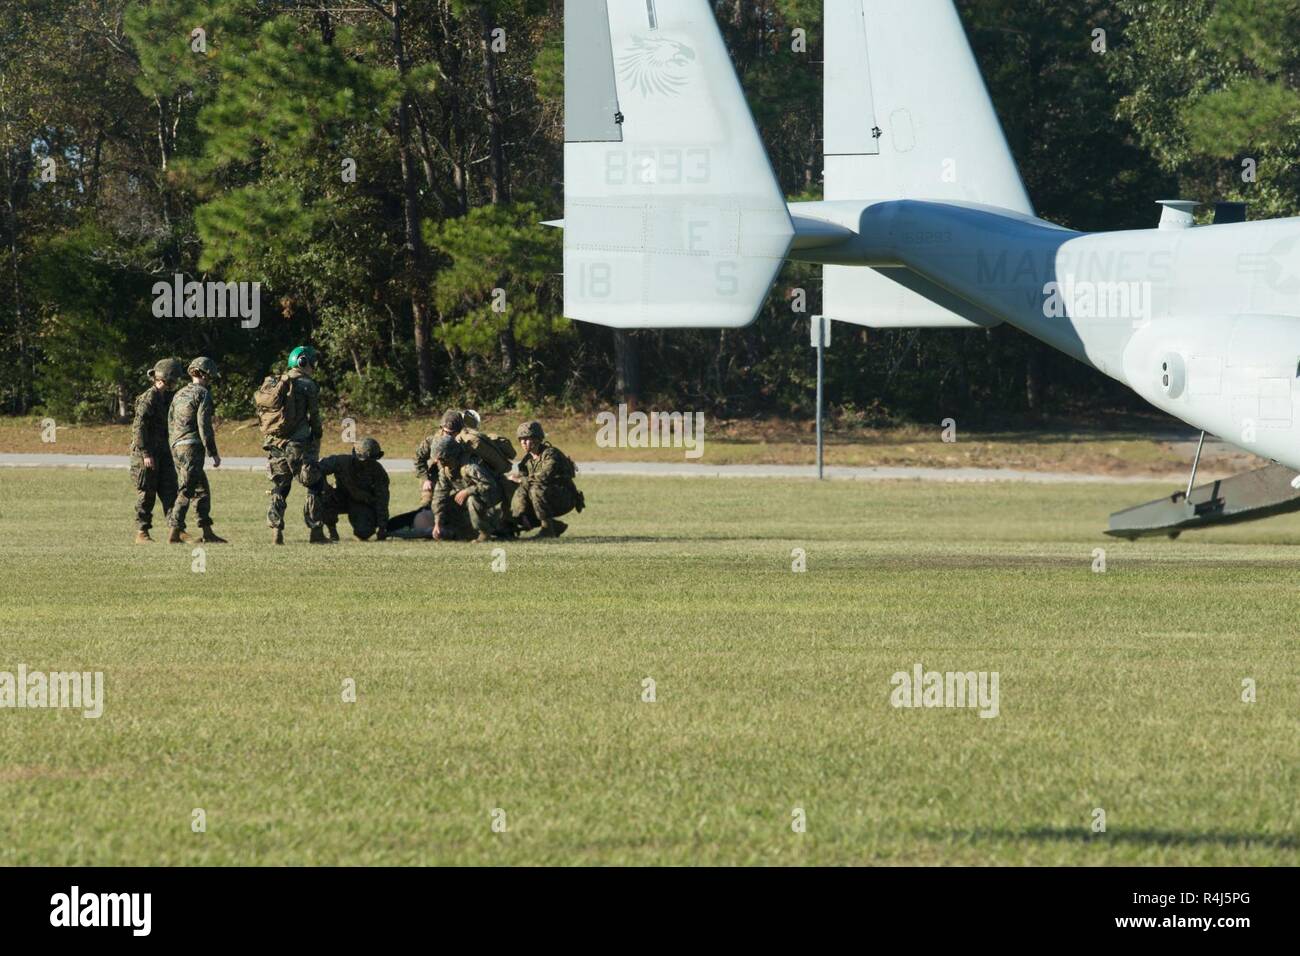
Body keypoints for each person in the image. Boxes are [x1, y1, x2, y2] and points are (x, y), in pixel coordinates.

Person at [264, 345, 327, 545]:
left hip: (274, 443)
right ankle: (316, 531)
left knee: (280, 486)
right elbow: (314, 415)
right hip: (298, 445)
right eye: (312, 361)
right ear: (303, 362)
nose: (314, 365)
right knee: (315, 483)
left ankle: (276, 530)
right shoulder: (307, 384)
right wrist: (317, 433)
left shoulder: (275, 382)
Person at [166, 357, 227, 544]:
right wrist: (213, 452)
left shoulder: (179, 394)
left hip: (177, 446)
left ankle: (207, 532)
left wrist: (174, 447)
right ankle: (174, 532)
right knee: (187, 489)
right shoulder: (203, 394)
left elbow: (170, 422)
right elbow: (204, 425)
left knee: (201, 489)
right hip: (192, 447)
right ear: (205, 374)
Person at [129, 358, 185, 543]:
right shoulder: (148, 399)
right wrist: (146, 454)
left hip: (163, 451)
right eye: (174, 379)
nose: (176, 383)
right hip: (147, 454)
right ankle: (142, 532)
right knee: (147, 494)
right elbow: (139, 428)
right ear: (166, 379)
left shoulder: (167, 397)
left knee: (170, 491)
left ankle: (176, 531)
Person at [511, 420, 583, 538]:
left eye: (527, 439)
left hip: (564, 497)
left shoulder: (551, 454)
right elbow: (523, 481)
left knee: (535, 489)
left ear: (538, 439)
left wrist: (521, 480)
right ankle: (553, 526)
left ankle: (548, 530)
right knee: (521, 493)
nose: (523, 442)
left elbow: (544, 477)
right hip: (546, 497)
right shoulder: (526, 461)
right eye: (521, 439)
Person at [430, 435, 502, 543]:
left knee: (472, 500)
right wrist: (437, 523)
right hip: (475, 499)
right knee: (448, 503)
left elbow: (489, 485)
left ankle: (484, 533)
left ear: (450, 456)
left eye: (440, 459)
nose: (437, 462)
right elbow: (439, 496)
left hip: (490, 499)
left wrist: (468, 491)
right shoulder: (445, 471)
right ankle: (465, 532)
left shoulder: (470, 467)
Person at [320, 438, 390, 541]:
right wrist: (324, 486)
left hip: (361, 503)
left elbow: (382, 499)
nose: (369, 463)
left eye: (372, 460)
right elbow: (316, 470)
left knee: (364, 533)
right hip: (340, 498)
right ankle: (332, 531)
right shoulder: (341, 462)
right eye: (366, 460)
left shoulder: (378, 472)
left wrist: (383, 527)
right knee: (321, 496)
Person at [413, 410, 464, 508]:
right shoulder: (432, 441)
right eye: (445, 431)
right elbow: (418, 458)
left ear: (459, 431)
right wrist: (425, 478)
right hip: (434, 476)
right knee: (426, 503)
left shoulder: (464, 443)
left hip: (457, 477)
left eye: (452, 433)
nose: (448, 435)